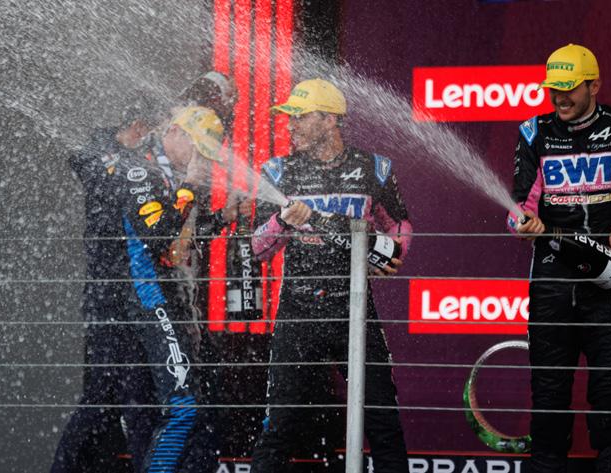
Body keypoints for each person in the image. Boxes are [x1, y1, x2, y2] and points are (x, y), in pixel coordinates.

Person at [57, 104, 244, 473]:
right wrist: (190, 186)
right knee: (166, 405)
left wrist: (222, 218)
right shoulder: (140, 168)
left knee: (154, 406)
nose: (203, 161)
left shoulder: (163, 172)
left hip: (151, 303)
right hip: (140, 300)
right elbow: (157, 235)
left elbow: (178, 244)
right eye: (200, 150)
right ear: (175, 133)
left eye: (208, 155)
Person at [506, 44, 611, 473]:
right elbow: (517, 207)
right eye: (553, 89)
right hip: (551, 285)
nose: (559, 97)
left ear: (594, 85)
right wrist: (523, 222)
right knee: (549, 399)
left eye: (569, 88)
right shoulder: (533, 131)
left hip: (606, 283)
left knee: (610, 397)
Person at [250, 78, 412, 473]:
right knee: (280, 425)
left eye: (300, 117)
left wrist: (393, 255)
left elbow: (400, 225)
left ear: (329, 120)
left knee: (383, 422)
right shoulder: (278, 171)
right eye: (290, 118)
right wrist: (281, 221)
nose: (291, 126)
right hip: (298, 311)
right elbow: (258, 248)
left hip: (354, 309)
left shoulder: (374, 168)